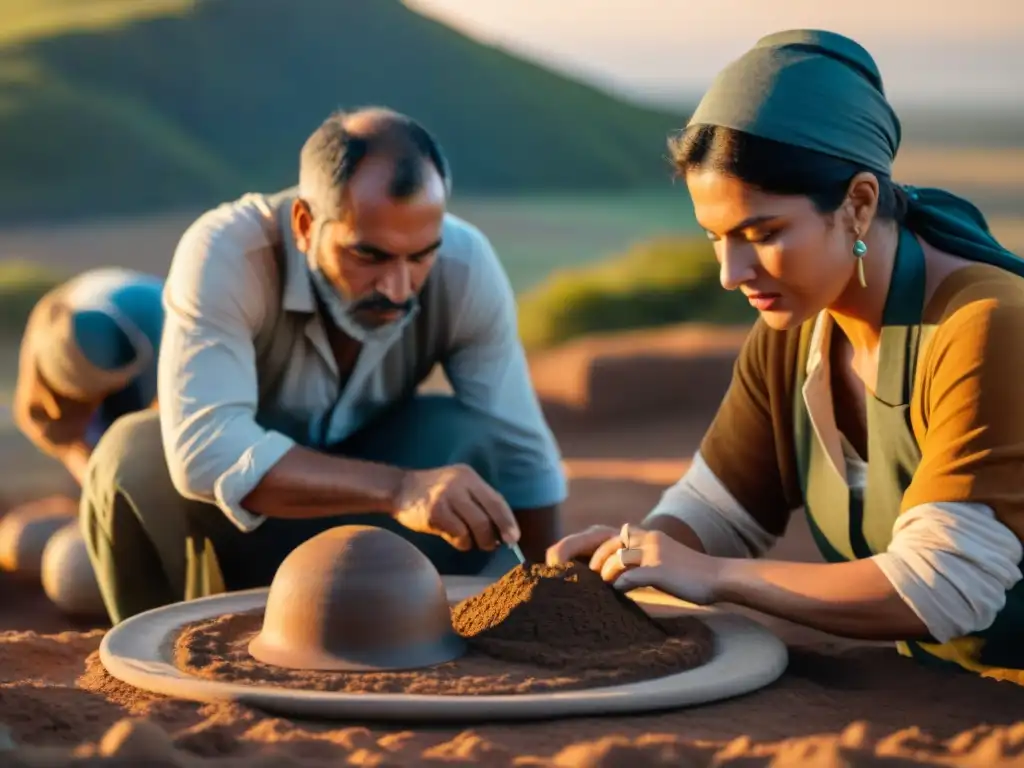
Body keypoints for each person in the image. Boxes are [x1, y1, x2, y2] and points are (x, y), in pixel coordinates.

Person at [548, 30, 1024, 685]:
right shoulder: (795, 328)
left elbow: (940, 587)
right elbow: (718, 511)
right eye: (716, 238)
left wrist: (711, 577)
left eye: (763, 234)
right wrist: (630, 556)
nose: (730, 272)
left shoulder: (987, 326)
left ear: (857, 204)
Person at [80, 107, 567, 625]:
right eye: (369, 256)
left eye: (421, 256)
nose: (398, 289)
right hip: (241, 528)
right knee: (126, 456)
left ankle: (416, 633)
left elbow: (524, 457)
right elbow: (206, 453)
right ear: (305, 225)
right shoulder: (227, 250)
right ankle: (158, 652)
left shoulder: (466, 265)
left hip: (379, 534)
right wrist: (399, 488)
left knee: (467, 433)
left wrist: (555, 601)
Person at [13, 268, 164, 487]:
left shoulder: (166, 339)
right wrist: (89, 477)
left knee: (138, 448)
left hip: (157, 352)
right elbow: (44, 422)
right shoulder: (51, 329)